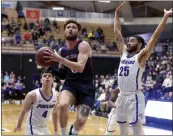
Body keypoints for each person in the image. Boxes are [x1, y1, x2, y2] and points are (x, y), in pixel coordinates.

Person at [106, 2, 172, 135]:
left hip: (134, 97)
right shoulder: (124, 53)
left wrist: (165, 17)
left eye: (132, 41)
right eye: (128, 40)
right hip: (122, 96)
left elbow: (154, 37)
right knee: (123, 129)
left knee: (136, 128)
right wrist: (117, 14)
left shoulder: (141, 56)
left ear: (139, 44)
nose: (128, 42)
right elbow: (118, 35)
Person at [43, 19, 95, 135]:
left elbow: (80, 67)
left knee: (81, 121)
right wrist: (50, 69)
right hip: (70, 84)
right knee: (63, 104)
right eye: (68, 27)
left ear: (78, 32)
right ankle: (63, 134)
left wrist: (59, 59)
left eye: (74, 27)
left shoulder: (83, 45)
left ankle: (74, 131)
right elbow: (62, 73)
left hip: (86, 86)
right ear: (64, 31)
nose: (70, 29)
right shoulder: (62, 50)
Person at [13, 68, 59, 135]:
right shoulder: (32, 95)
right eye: (45, 76)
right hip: (32, 128)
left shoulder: (55, 96)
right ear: (41, 80)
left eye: (49, 76)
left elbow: (54, 114)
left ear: (53, 80)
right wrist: (18, 125)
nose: (47, 77)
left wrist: (56, 131)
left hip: (45, 128)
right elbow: (23, 112)